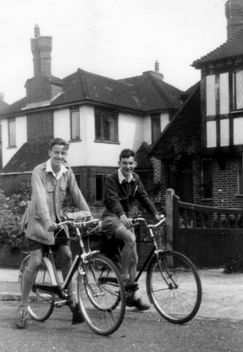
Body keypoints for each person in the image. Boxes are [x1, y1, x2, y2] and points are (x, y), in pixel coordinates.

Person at [15, 138, 91, 329]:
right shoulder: (38, 171)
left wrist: (88, 214)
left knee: (67, 256)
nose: (60, 156)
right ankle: (23, 307)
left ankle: (71, 299)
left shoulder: (68, 172)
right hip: (38, 224)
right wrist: (48, 221)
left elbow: (77, 195)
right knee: (36, 261)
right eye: (56, 152)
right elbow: (40, 200)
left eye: (63, 153)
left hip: (56, 223)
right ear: (50, 152)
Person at [101, 148, 160, 311]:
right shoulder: (111, 179)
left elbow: (143, 196)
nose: (128, 167)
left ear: (135, 164)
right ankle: (124, 277)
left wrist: (155, 213)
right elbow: (112, 200)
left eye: (131, 163)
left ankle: (132, 297)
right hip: (110, 218)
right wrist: (121, 215)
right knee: (131, 239)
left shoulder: (135, 178)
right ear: (119, 163)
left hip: (124, 219)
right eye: (124, 163)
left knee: (134, 257)